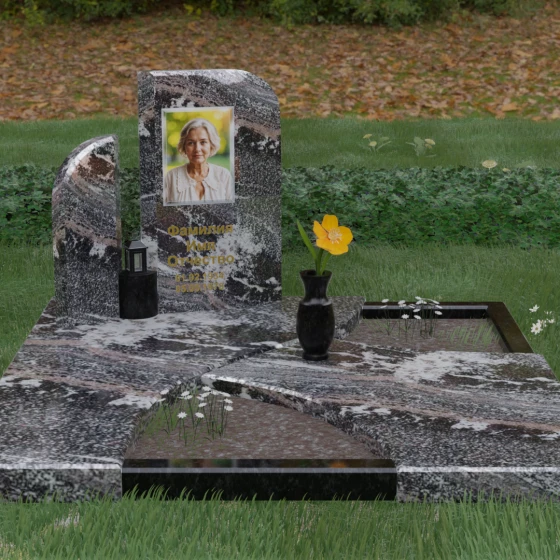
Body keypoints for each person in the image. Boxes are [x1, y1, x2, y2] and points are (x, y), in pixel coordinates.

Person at [164, 118, 233, 203]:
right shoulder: (171, 177)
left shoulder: (224, 176)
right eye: (191, 143)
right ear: (184, 147)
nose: (197, 149)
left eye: (203, 142)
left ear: (211, 145)